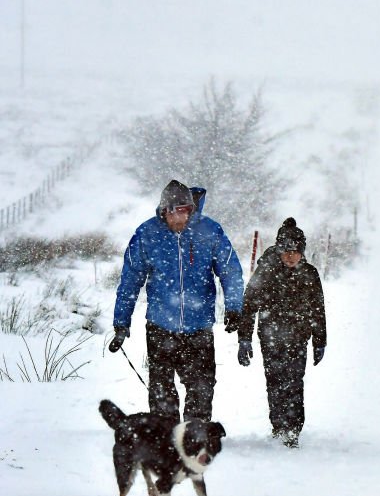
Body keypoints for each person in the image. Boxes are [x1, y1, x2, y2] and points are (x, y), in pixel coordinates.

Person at [109, 179, 244, 421]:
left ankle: (195, 434)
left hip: (199, 326)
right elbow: (130, 279)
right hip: (160, 326)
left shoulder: (210, 231)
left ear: (190, 210)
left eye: (182, 211)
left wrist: (234, 307)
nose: (177, 218)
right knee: (161, 390)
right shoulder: (147, 234)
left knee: (201, 387)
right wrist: (121, 322)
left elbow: (230, 270)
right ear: (163, 212)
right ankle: (166, 436)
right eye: (171, 212)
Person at [238, 218, 326, 448]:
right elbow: (249, 304)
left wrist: (320, 340)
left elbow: (318, 308)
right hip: (270, 337)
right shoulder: (266, 271)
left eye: (295, 251)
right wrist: (244, 338)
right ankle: (279, 426)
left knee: (295, 382)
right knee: (275, 382)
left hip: (298, 338)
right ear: (279, 250)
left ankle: (293, 430)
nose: (290, 256)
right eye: (286, 251)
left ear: (302, 252)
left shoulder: (309, 273)